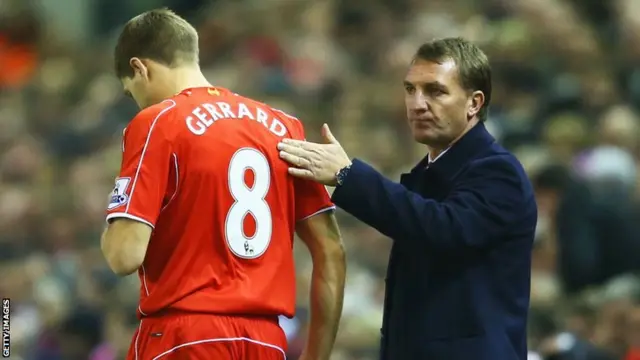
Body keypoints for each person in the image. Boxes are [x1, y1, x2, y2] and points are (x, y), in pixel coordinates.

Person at [99, 8, 346, 360]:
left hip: (185, 335)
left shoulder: (158, 120)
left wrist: (113, 222)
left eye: (130, 91)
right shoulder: (283, 126)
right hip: (265, 341)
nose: (136, 102)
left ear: (140, 68)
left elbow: (124, 256)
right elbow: (331, 250)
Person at [277, 37, 537, 359]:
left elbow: (443, 229)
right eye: (410, 89)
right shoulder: (429, 172)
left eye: (435, 91)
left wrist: (348, 175)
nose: (417, 103)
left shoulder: (498, 170)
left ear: (474, 103)